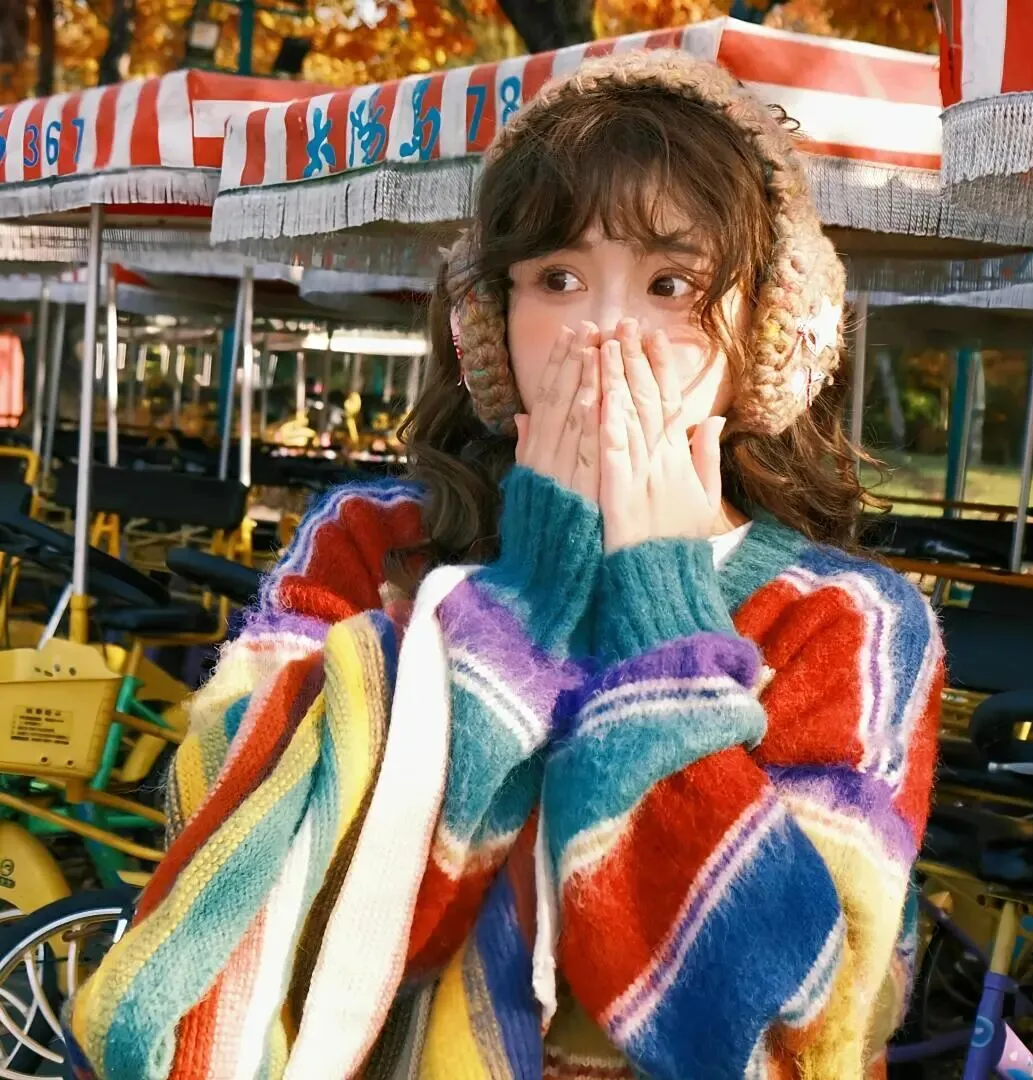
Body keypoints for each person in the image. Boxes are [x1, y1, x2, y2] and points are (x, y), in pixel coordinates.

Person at [70, 48, 942, 1080]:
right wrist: (519, 610)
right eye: (557, 279)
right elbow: (229, 861)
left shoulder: (845, 619)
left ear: (766, 331)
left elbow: (799, 1017)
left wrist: (660, 609)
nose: (607, 330)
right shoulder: (369, 542)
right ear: (490, 317)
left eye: (673, 284)